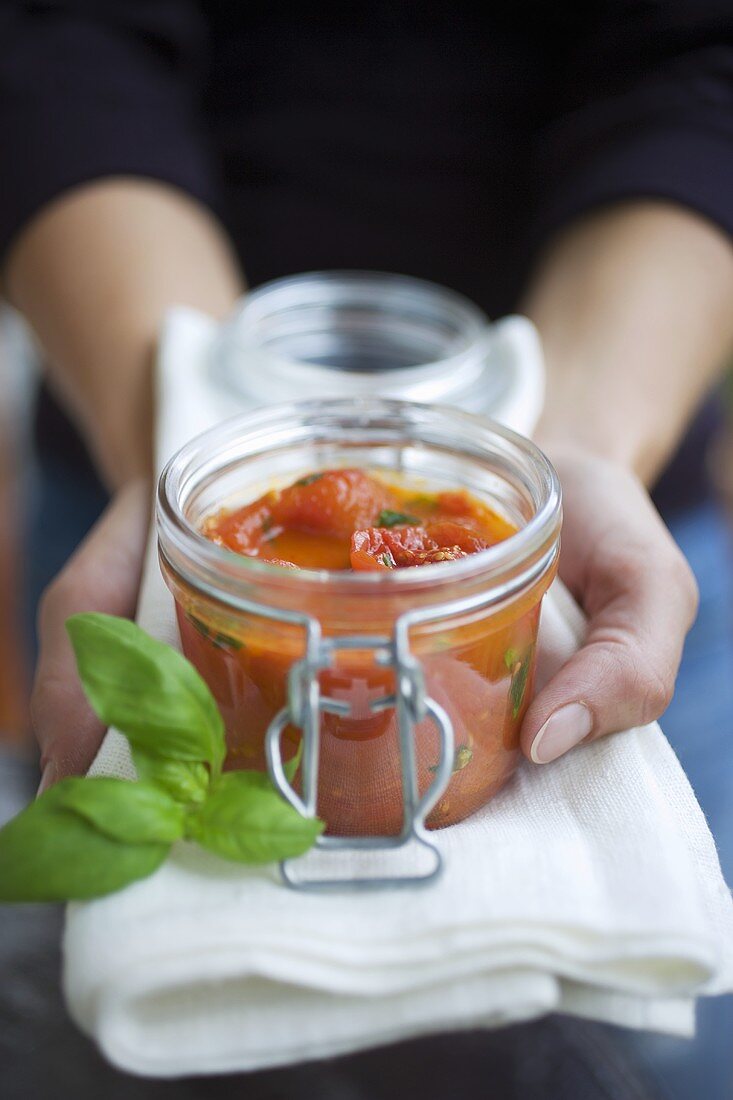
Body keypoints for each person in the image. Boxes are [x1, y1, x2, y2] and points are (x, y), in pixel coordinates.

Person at [1, 2, 732, 1095]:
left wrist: (581, 438)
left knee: (658, 1046)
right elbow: (56, 31)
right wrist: (165, 428)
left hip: (604, 477)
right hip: (138, 432)